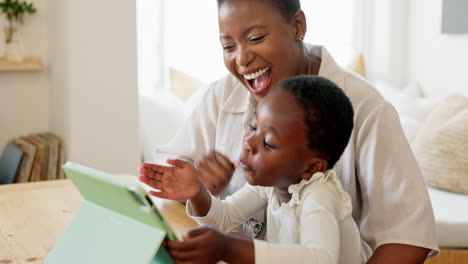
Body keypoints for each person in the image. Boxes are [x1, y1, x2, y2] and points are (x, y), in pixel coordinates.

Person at [141, 0, 439, 263]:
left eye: (256, 37)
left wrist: (230, 249)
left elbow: (403, 237)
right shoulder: (269, 180)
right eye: (228, 46)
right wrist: (198, 191)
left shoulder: (322, 188)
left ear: (298, 26)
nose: (242, 59)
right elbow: (222, 213)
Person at [141, 75, 371, 264]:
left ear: (311, 167)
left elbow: (320, 259)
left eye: (268, 143)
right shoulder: (272, 186)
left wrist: (229, 247)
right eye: (252, 128)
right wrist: (198, 193)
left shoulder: (319, 196)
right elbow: (225, 218)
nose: (249, 143)